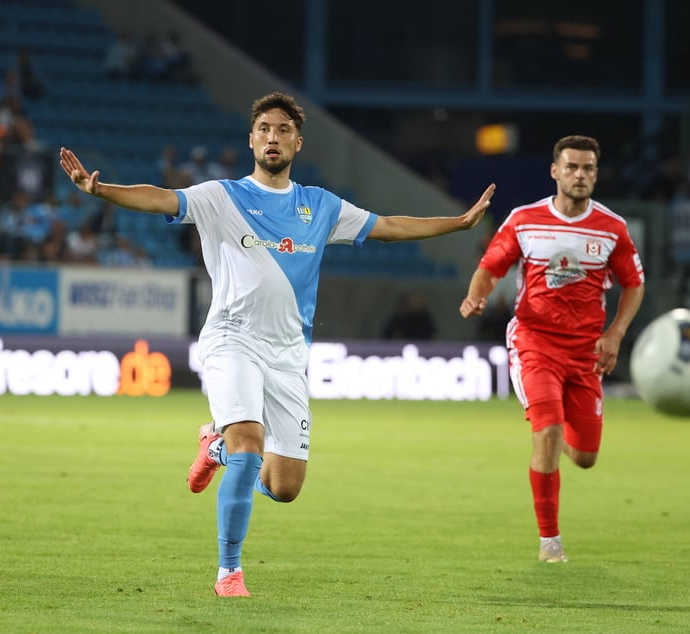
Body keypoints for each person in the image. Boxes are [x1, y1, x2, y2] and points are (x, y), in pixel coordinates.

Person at [59, 91, 495, 597]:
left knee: (285, 486)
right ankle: (229, 572)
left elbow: (390, 228)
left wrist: (458, 224)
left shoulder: (321, 207)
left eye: (283, 129)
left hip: (288, 354)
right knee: (250, 443)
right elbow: (161, 196)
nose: (273, 136)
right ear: (251, 139)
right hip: (232, 339)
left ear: (297, 142)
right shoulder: (221, 197)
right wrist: (101, 189)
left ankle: (215, 448)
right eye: (264, 128)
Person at [458, 135, 645, 564]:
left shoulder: (612, 228)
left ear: (596, 174)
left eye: (589, 169)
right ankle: (550, 543)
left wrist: (614, 335)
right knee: (548, 435)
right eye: (573, 167)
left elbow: (634, 285)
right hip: (534, 342)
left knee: (584, 457)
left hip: (586, 353)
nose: (581, 175)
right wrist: (477, 294)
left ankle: (557, 424)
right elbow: (490, 268)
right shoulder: (525, 219)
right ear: (555, 171)